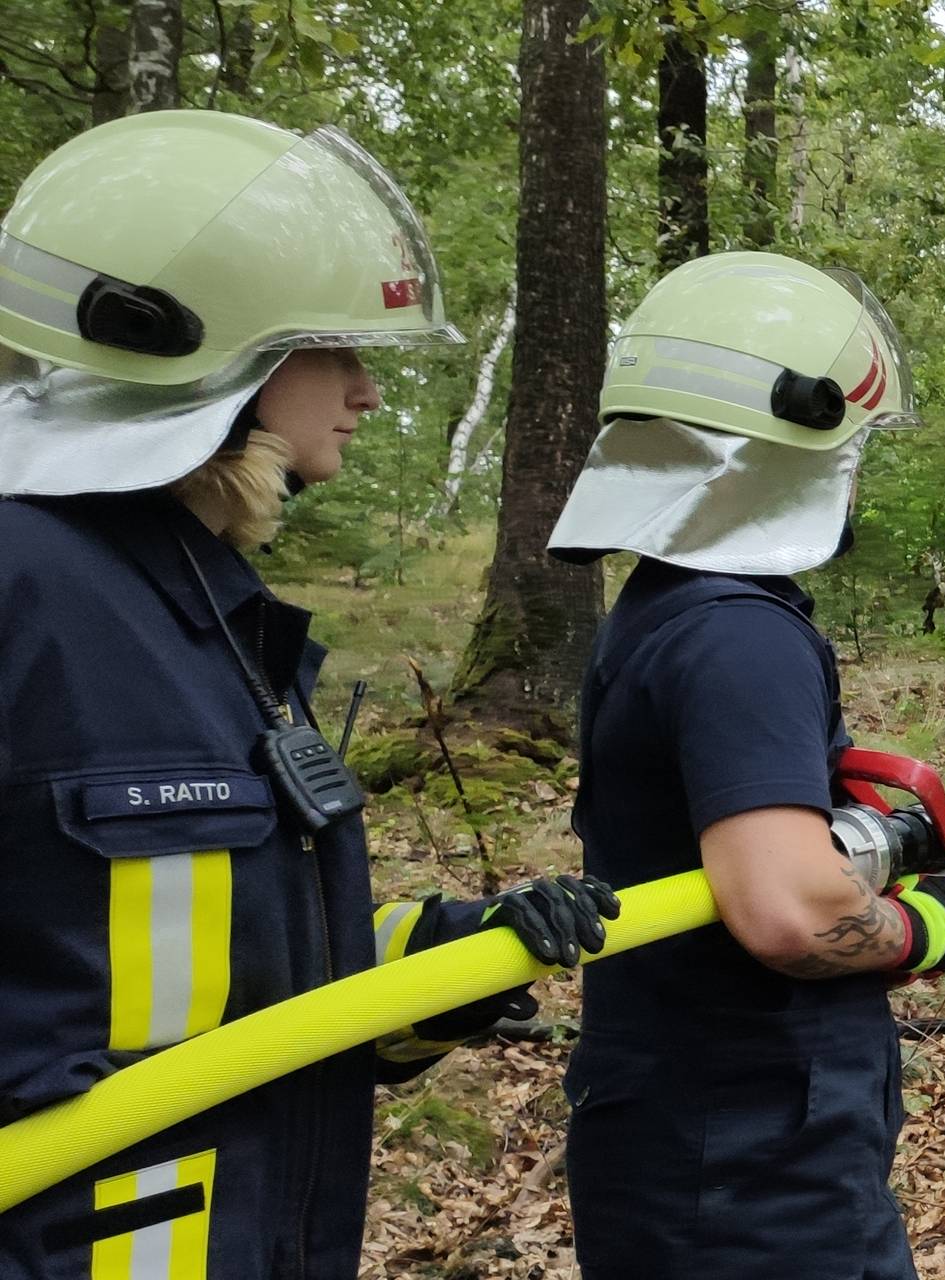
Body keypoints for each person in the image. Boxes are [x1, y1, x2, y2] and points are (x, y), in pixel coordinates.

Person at [0, 110, 618, 1278]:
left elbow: (249, 984)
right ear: (188, 342)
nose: (369, 392)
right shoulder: (26, 592)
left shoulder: (203, 608)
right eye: (333, 348)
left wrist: (456, 957)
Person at [551, 250, 945, 1279]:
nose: (857, 467)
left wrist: (862, 830)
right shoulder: (743, 634)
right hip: (748, 1166)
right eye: (851, 442)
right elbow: (794, 914)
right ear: (785, 440)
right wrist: (929, 913)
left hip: (704, 1139)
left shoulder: (669, 606)